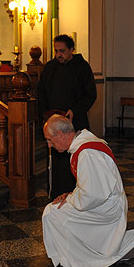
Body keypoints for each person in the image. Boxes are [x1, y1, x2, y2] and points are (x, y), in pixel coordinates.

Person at [41, 114, 134, 267]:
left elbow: (92, 195)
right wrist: (71, 194)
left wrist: (70, 198)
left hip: (107, 207)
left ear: (60, 134)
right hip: (105, 202)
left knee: (52, 213)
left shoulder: (87, 153)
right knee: (58, 213)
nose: (49, 145)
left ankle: (71, 260)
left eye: (49, 139)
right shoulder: (85, 145)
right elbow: (92, 187)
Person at [37, 34, 97, 199]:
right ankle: (56, 194)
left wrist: (75, 110)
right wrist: (46, 117)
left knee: (77, 158)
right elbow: (41, 94)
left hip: (75, 123)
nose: (58, 55)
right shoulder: (50, 68)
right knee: (57, 162)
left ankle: (78, 195)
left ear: (72, 49)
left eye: (62, 51)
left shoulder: (82, 67)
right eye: (56, 51)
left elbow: (91, 94)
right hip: (53, 125)